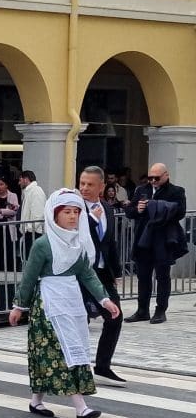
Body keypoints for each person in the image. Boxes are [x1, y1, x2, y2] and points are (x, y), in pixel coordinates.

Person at [8, 189, 119, 418]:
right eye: (66, 211)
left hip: (71, 300)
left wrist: (105, 299)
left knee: (61, 351)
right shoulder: (42, 244)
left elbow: (87, 275)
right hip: (48, 304)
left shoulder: (77, 242)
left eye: (76, 211)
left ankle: (36, 400)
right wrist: (19, 306)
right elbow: (29, 276)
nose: (72, 216)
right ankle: (81, 407)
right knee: (59, 352)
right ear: (54, 214)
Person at [78, 166, 126, 388]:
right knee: (79, 319)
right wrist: (90, 219)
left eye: (90, 184)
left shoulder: (106, 208)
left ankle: (103, 366)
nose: (85, 188)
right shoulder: (74, 208)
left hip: (103, 273)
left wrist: (115, 271)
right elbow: (73, 235)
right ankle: (75, 367)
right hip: (81, 272)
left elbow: (110, 243)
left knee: (115, 316)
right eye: (82, 183)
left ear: (101, 186)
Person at [124, 162, 188, 324]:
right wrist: (138, 209)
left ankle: (160, 310)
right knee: (143, 276)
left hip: (163, 238)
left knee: (162, 276)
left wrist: (157, 207)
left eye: (156, 178)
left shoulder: (176, 191)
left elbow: (180, 212)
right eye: (150, 177)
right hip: (143, 239)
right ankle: (142, 310)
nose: (153, 181)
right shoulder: (141, 190)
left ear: (166, 175)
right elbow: (130, 212)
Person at [18, 170, 46, 256]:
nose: (19, 183)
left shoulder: (36, 192)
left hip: (34, 233)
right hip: (30, 233)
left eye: (20, 180)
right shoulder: (29, 192)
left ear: (26, 179)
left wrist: (28, 229)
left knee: (31, 261)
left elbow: (38, 215)